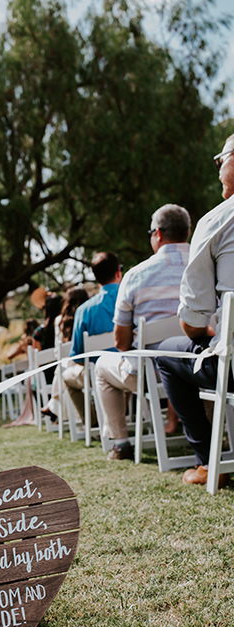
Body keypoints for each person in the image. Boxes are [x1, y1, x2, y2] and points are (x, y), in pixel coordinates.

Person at [156, 134, 234, 486]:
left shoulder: (217, 221)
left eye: (221, 161)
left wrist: (212, 333)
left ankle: (207, 460)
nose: (217, 171)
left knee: (167, 355)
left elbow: (191, 323)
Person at [95, 204, 191, 460]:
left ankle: (122, 442)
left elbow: (122, 342)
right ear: (188, 232)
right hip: (200, 368)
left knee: (103, 366)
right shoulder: (206, 263)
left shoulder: (136, 275)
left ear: (158, 234)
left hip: (151, 375)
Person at [62, 251, 122, 422]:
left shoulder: (84, 311)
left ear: (96, 277)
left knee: (67, 378)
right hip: (134, 368)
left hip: (98, 373)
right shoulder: (134, 298)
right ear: (118, 272)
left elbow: (78, 356)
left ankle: (93, 424)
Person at [40, 287, 88, 422]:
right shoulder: (88, 313)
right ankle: (54, 406)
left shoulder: (60, 321)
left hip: (73, 366)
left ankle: (54, 406)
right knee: (63, 368)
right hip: (90, 363)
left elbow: (58, 351)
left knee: (62, 369)